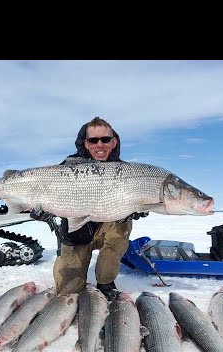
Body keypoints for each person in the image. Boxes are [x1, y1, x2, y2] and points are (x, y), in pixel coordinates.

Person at [32, 117, 147, 301]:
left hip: (107, 229)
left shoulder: (127, 172)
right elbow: (46, 196)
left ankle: (106, 281)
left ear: (113, 141)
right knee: (68, 291)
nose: (99, 145)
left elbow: (141, 200)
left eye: (105, 139)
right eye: (93, 140)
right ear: (86, 143)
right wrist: (42, 209)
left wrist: (137, 207)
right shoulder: (69, 166)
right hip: (76, 233)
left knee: (123, 224)